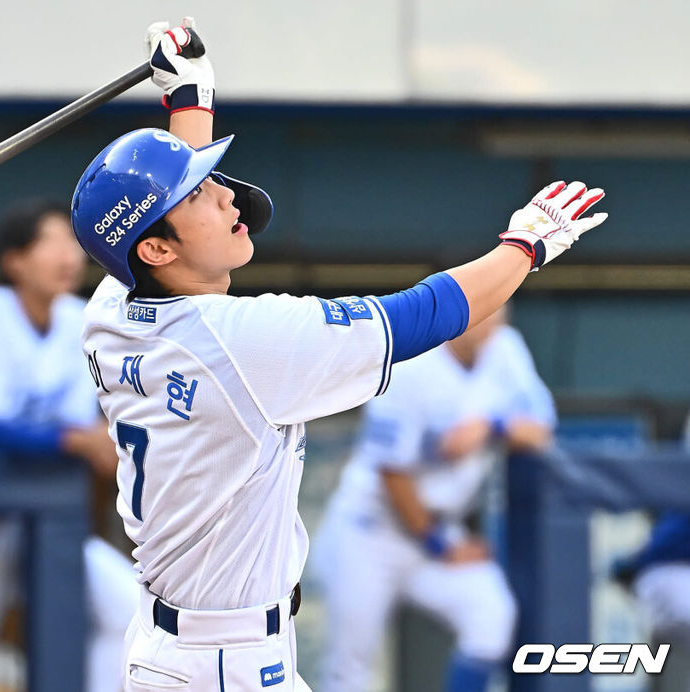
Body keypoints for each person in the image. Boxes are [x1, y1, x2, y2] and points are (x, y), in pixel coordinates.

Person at [68, 18, 609, 690]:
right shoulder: (237, 339)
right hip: (219, 665)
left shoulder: (112, 310)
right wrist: (524, 247)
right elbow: (420, 316)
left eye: (213, 182)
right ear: (155, 249)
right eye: (204, 194)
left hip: (189, 649)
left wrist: (191, 101)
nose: (228, 195)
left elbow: (160, 223)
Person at [0, 198, 138, 692]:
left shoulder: (84, 320)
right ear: (15, 260)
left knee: (126, 612)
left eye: (71, 242)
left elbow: (89, 431)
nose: (67, 254)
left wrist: (93, 441)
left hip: (40, 519)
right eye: (49, 242)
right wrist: (74, 440)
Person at [311, 308, 556, 691]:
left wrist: (492, 425)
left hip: (438, 529)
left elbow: (542, 431)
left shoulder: (506, 350)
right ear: (459, 315)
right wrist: (439, 545)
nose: (495, 322)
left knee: (491, 616)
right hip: (371, 533)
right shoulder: (411, 364)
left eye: (500, 311)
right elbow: (392, 473)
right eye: (485, 310)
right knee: (350, 669)